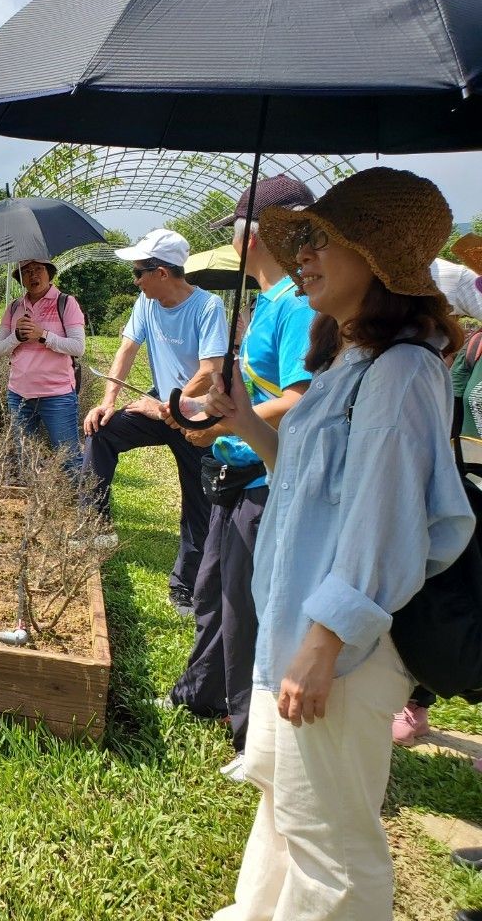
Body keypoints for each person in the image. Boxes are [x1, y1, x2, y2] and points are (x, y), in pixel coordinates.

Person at [202, 167, 473, 921]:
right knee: (286, 810)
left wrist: (325, 642)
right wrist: (249, 425)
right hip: (300, 632)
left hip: (341, 651)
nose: (305, 257)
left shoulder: (401, 372)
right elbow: (314, 492)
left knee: (334, 850)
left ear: (379, 259)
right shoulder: (351, 362)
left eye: (326, 241)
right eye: (304, 240)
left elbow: (387, 527)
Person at [164, 175, 317, 778]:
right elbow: (253, 391)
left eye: (235, 223)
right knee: (212, 590)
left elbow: (300, 399)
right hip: (235, 472)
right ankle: (201, 694)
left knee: (244, 607)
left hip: (264, 477)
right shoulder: (267, 302)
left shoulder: (298, 306)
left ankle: (250, 733)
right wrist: (207, 412)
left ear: (255, 234)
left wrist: (228, 420)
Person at [82, 228, 228, 610]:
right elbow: (127, 349)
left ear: (162, 272)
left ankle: (186, 584)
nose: (135, 281)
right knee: (102, 432)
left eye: (138, 273)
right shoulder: (145, 304)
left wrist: (168, 406)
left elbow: (211, 370)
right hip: (161, 403)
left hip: (196, 414)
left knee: (198, 502)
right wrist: (107, 400)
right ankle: (95, 528)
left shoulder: (208, 307)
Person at [392, 234, 482, 750]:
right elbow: (450, 403)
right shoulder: (472, 347)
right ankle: (417, 702)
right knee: (450, 590)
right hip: (468, 483)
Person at [0, 257, 86, 470]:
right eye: (26, 271)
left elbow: (78, 347)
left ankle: (83, 503)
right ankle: (37, 501)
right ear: (21, 279)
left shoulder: (66, 303)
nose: (33, 275)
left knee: (68, 459)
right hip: (18, 395)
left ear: (49, 272)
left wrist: (42, 335)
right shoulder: (15, 307)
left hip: (57, 395)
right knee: (26, 459)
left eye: (38, 269)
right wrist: (17, 336)